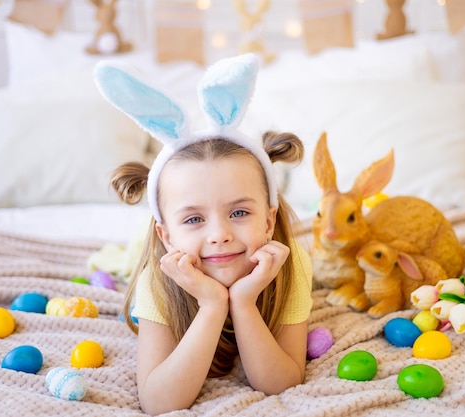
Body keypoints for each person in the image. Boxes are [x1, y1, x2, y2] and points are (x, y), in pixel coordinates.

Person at [94, 54, 313, 415]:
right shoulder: (158, 281)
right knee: (123, 257)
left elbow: (280, 383)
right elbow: (159, 402)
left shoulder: (291, 265)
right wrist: (212, 305)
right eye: (194, 219)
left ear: (269, 221)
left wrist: (243, 302)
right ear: (166, 235)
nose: (219, 235)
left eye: (239, 212)